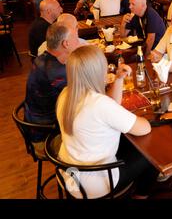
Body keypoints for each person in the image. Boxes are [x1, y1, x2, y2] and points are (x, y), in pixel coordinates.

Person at [56, 45, 157, 199]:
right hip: (95, 184)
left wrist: (119, 78)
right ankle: (140, 196)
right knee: (151, 153)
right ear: (95, 72)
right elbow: (145, 128)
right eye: (104, 66)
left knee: (128, 142)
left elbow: (110, 105)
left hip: (69, 175)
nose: (106, 70)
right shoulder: (99, 104)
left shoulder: (65, 94)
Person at [25, 22, 81, 136]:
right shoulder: (55, 72)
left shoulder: (42, 58)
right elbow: (81, 101)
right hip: (47, 133)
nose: (79, 42)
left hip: (38, 121)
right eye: (76, 38)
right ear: (66, 44)